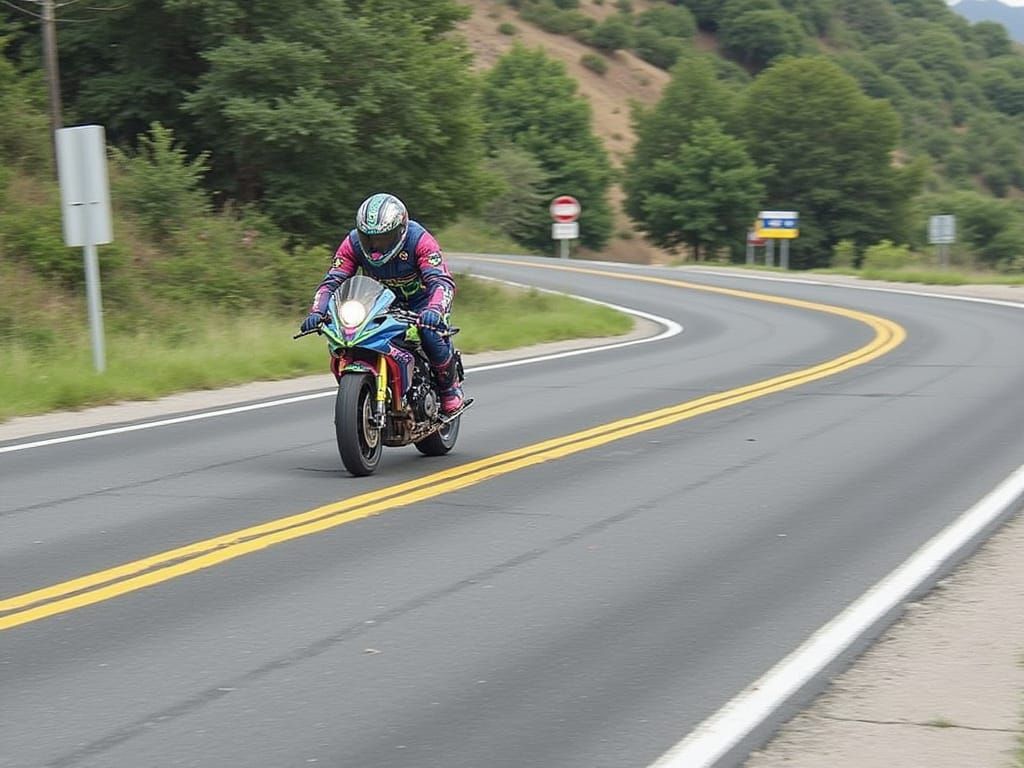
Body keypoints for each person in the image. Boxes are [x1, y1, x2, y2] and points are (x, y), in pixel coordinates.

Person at [299, 192, 464, 413]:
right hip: (378, 302)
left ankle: (449, 389)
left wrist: (434, 310)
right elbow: (332, 280)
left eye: (384, 237)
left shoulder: (420, 241)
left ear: (401, 230)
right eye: (369, 238)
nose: (375, 244)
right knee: (347, 336)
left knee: (429, 334)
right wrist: (317, 311)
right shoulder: (352, 243)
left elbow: (441, 281)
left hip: (423, 303)